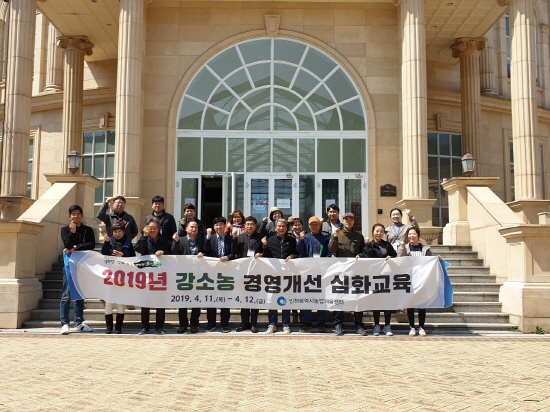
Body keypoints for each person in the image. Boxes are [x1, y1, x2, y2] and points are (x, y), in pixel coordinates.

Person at [397, 226, 441, 337]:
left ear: (418, 236)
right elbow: (399, 258)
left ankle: (421, 327)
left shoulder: (425, 249)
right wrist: (401, 247)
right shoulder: (404, 247)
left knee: (422, 304)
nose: (411, 236)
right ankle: (412, 327)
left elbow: (430, 261)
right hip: (409, 280)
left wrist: (437, 259)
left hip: (422, 279)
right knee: (410, 304)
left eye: (413, 234)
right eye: (409, 234)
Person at [59, 205, 96, 335]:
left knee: (79, 295)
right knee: (66, 295)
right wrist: (73, 233)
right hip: (69, 266)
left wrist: (76, 247)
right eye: (73, 214)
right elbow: (67, 245)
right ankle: (64, 324)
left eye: (78, 214)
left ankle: (79, 322)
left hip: (82, 266)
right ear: (70, 216)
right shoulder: (65, 229)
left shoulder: (88, 230)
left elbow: (91, 244)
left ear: (82, 215)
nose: (76, 216)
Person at [134, 217, 174, 335]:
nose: (152, 230)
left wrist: (164, 253)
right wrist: (144, 237)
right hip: (146, 275)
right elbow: (138, 249)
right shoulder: (144, 239)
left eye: (155, 228)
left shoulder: (165, 241)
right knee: (145, 302)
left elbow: (172, 253)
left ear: (159, 229)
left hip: (161, 275)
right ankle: (145, 327)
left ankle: (159, 327)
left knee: (160, 302)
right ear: (146, 228)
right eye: (150, 228)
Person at [328, 212, 366, 336]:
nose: (348, 222)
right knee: (339, 298)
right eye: (346, 219)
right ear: (343, 221)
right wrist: (334, 237)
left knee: (357, 298)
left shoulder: (359, 236)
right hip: (341, 272)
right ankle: (338, 324)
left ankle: (359, 325)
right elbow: (332, 250)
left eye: (351, 220)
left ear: (354, 222)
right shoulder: (337, 234)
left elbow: (364, 252)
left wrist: (360, 255)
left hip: (355, 273)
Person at [261, 218, 298, 334]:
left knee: (285, 299)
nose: (281, 228)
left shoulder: (292, 240)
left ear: (287, 228)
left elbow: (297, 253)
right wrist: (265, 246)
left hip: (287, 274)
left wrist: (292, 256)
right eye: (279, 226)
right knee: (272, 299)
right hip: (273, 274)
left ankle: (286, 324)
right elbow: (266, 256)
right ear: (275, 227)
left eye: (283, 226)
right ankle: (272, 324)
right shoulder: (270, 240)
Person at [296, 216, 331, 333]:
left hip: (321, 273)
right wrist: (300, 240)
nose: (314, 226)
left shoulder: (325, 238)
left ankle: (321, 323)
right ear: (309, 226)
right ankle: (307, 322)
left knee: (322, 298)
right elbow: (299, 251)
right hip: (307, 273)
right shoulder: (305, 237)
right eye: (312, 224)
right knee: (307, 298)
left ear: (320, 225)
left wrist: (324, 263)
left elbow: (328, 253)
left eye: (316, 224)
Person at [100, 221, 135, 334]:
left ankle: (118, 327)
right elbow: (103, 255)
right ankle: (109, 327)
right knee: (109, 302)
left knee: (120, 302)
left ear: (124, 232)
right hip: (110, 276)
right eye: (115, 231)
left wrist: (123, 255)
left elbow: (133, 259)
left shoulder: (128, 243)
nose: (118, 234)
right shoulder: (109, 242)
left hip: (123, 277)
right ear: (112, 232)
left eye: (120, 231)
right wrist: (106, 243)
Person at [362, 223, 397, 336]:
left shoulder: (387, 245)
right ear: (373, 232)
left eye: (381, 231)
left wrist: (391, 257)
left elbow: (395, 256)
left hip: (386, 277)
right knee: (376, 302)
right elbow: (366, 258)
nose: (379, 233)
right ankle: (376, 325)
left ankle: (387, 325)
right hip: (374, 277)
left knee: (387, 302)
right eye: (377, 231)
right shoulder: (368, 245)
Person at [231, 216, 264, 333]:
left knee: (254, 298)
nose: (249, 226)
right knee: (244, 298)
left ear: (256, 226)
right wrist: (234, 239)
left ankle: (254, 323)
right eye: (247, 224)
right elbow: (234, 252)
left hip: (256, 270)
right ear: (244, 226)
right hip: (243, 271)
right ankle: (244, 322)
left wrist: (262, 253)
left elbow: (266, 252)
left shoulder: (261, 237)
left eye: (252, 224)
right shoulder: (240, 237)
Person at [173, 221, 205, 333]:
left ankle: (194, 324)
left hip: (198, 275)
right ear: (186, 229)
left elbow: (208, 253)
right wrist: (176, 242)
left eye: (196, 227)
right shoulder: (180, 240)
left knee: (196, 300)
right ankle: (183, 324)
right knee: (183, 301)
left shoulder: (202, 241)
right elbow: (174, 254)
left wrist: (203, 254)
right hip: (184, 275)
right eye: (191, 227)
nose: (194, 229)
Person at [204, 217, 234, 333]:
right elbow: (206, 251)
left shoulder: (230, 239)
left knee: (224, 299)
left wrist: (228, 257)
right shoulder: (209, 238)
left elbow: (233, 253)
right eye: (216, 225)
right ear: (213, 227)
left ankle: (225, 324)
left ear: (225, 226)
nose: (219, 227)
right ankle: (211, 324)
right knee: (211, 299)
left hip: (226, 273)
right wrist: (207, 237)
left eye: (221, 224)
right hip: (212, 273)